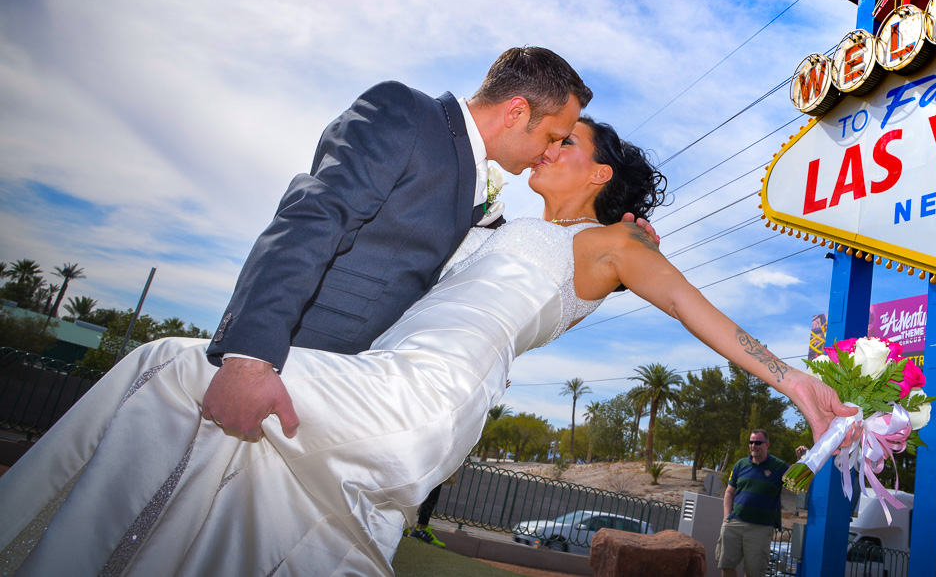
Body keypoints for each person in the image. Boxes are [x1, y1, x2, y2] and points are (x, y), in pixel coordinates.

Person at [0, 116, 858, 576]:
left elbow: (692, 310)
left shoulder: (612, 246)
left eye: (570, 142)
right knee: (253, 488)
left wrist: (791, 379)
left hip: (428, 393)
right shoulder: (505, 226)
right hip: (385, 372)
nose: (553, 145)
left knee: (176, 367)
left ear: (600, 176)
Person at [201, 45, 593, 440]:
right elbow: (312, 218)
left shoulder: (479, 185)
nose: (552, 153)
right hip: (290, 366)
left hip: (360, 398)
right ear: (517, 112)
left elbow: (512, 266)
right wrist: (248, 359)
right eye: (553, 137)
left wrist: (606, 237)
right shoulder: (405, 113)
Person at [717, 429, 791, 577]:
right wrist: (727, 517)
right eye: (751, 442)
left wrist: (801, 461)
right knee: (726, 564)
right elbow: (729, 492)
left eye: (757, 442)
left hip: (761, 528)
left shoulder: (779, 467)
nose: (753, 445)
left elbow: (797, 485)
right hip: (734, 524)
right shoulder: (741, 464)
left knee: (754, 572)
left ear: (766, 445)